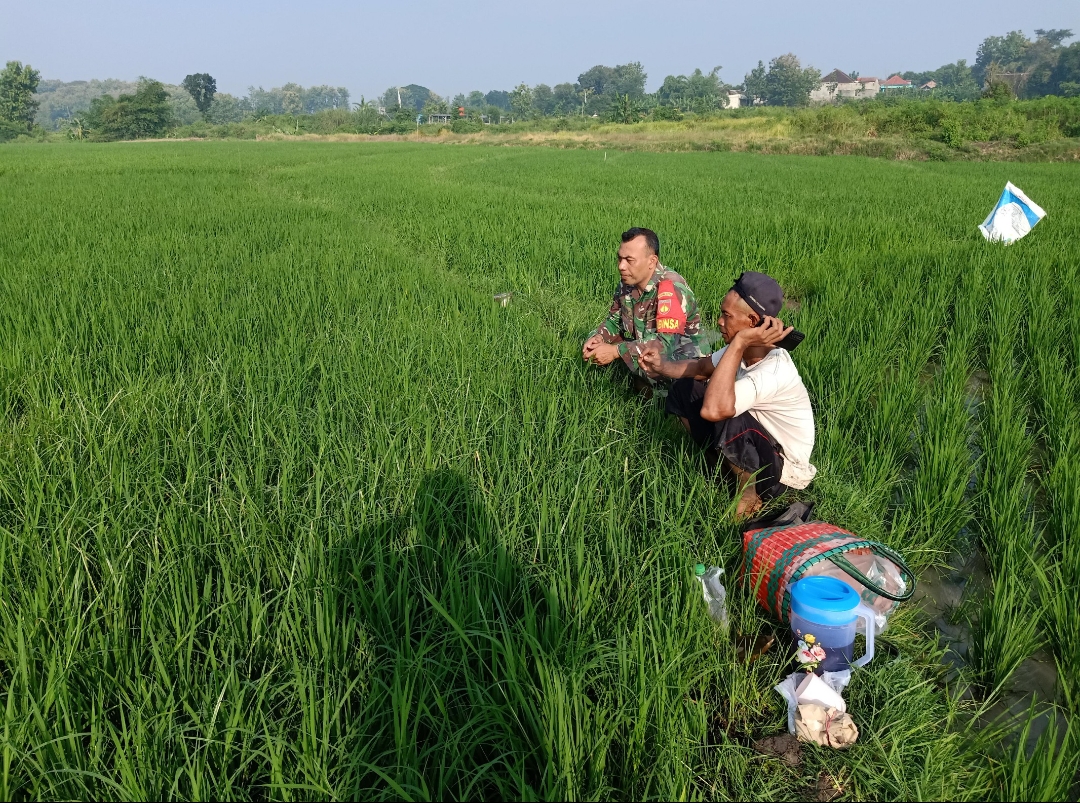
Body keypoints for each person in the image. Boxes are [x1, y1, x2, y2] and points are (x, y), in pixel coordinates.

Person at [640, 271, 816, 518]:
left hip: (781, 473)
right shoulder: (741, 349)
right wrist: (661, 366)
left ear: (753, 322)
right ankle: (718, 466)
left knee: (727, 411)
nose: (719, 322)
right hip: (757, 443)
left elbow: (714, 410)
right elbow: (701, 368)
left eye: (726, 316)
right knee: (685, 388)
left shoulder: (774, 369)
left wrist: (739, 342)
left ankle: (750, 495)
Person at [581, 228, 709, 391]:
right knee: (600, 346)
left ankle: (659, 400)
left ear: (652, 261)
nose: (621, 266)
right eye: (619, 258)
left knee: (644, 365)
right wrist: (598, 337)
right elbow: (614, 320)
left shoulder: (670, 289)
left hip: (683, 365)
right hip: (650, 352)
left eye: (629, 260)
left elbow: (664, 344)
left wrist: (615, 351)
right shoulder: (627, 283)